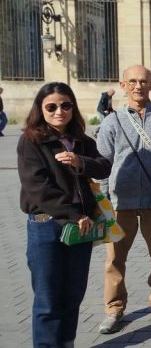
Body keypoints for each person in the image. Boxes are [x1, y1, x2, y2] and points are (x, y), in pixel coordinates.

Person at [18, 82, 111, 348]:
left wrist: (81, 162)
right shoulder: (31, 141)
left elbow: (104, 166)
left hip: (81, 226)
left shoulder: (80, 140)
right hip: (47, 226)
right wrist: (73, 214)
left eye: (65, 105)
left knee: (73, 294)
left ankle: (66, 343)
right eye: (51, 107)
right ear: (41, 109)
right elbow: (37, 188)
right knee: (48, 299)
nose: (59, 111)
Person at [96, 65, 151, 334]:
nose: (138, 86)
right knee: (114, 259)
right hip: (121, 202)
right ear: (122, 85)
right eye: (132, 81)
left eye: (143, 81)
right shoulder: (112, 121)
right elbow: (102, 164)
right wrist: (104, 202)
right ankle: (114, 308)